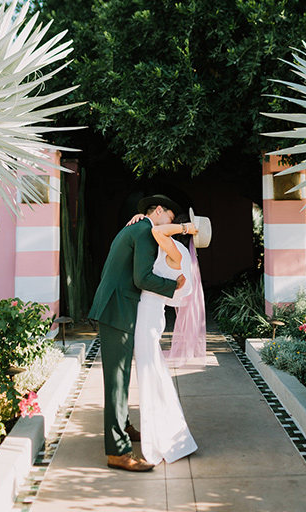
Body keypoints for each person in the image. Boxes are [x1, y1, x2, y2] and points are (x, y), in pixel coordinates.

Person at [88, 193, 187, 473]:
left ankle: (124, 426)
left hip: (115, 305)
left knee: (120, 377)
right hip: (116, 309)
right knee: (116, 381)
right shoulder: (144, 231)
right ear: (158, 211)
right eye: (169, 219)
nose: (170, 225)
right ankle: (118, 452)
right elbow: (141, 278)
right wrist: (173, 285)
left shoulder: (138, 226)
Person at [133, 214, 199, 465]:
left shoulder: (175, 250)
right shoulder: (170, 251)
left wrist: (183, 228)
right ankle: (171, 436)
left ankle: (159, 444)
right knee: (154, 376)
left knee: (150, 378)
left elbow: (157, 232)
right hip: (150, 315)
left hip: (148, 316)